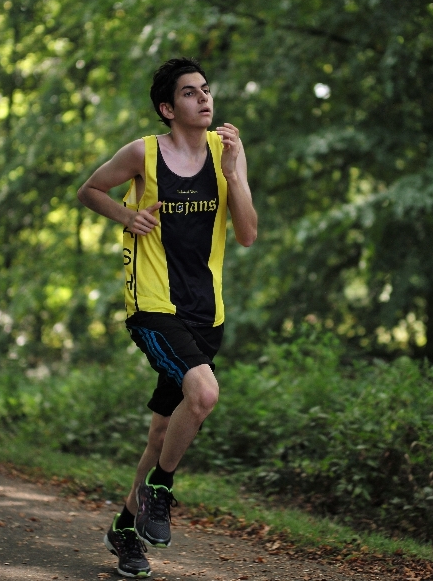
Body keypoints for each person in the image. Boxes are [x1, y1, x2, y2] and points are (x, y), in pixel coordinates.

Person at [77, 57, 258, 578]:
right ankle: (162, 487)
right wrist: (125, 215)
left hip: (208, 315)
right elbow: (89, 190)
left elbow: (246, 234)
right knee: (203, 395)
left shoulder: (228, 153)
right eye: (189, 93)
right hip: (154, 309)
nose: (204, 98)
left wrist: (235, 176)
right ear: (166, 107)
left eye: (206, 90)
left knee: (161, 433)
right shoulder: (143, 154)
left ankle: (124, 532)